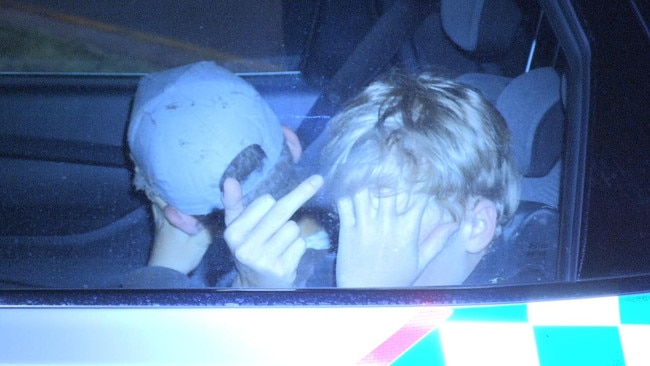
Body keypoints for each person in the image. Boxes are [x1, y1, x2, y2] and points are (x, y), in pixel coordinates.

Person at [122, 61, 331, 288]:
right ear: (291, 142)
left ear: (180, 219)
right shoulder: (345, 265)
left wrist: (163, 271)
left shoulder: (226, 300)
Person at [321, 71, 520, 287]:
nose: (362, 245)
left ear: (476, 226)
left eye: (393, 216)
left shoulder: (511, 311)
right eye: (353, 216)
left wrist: (367, 300)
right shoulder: (345, 271)